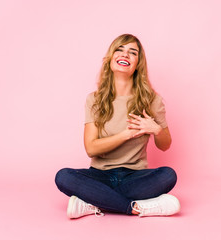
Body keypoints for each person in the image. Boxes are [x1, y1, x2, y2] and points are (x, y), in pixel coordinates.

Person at [55, 34, 180, 218]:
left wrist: (156, 130)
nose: (125, 55)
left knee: (168, 175)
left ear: (138, 63)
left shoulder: (152, 100)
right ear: (110, 58)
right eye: (120, 50)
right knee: (63, 176)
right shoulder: (95, 100)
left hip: (135, 176)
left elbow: (165, 145)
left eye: (132, 52)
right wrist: (126, 134)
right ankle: (136, 208)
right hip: (100, 176)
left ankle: (93, 201)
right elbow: (91, 148)